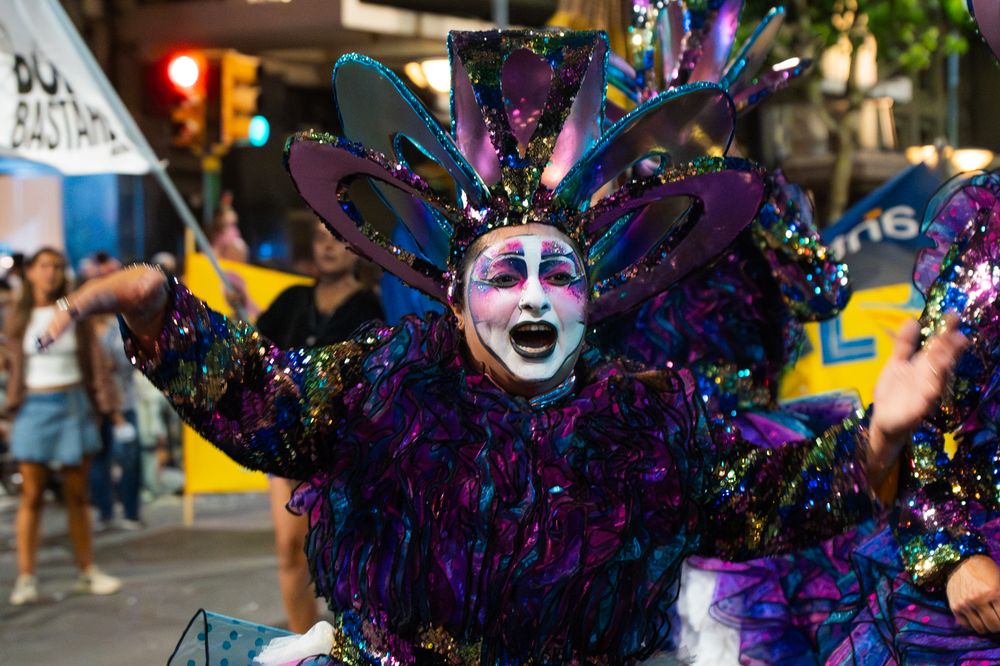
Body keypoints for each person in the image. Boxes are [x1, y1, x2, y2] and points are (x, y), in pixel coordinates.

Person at [40, 30, 964, 664]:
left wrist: (875, 441)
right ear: (454, 296)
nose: (533, 295)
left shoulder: (647, 413)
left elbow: (754, 504)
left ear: (593, 296)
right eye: (505, 272)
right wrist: (164, 310)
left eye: (558, 275)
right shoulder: (386, 383)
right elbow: (263, 403)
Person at [255, 219, 384, 633]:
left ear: (356, 250)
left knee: (339, 553)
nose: (328, 248)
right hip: (289, 446)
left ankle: (354, 642)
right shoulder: (292, 300)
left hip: (340, 453)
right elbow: (257, 352)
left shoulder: (369, 309)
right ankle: (302, 644)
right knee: (289, 551)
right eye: (320, 239)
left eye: (338, 240)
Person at [6, 247, 122, 606]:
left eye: (57, 266)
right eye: (43, 266)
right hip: (32, 406)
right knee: (32, 496)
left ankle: (86, 570)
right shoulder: (17, 315)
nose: (50, 272)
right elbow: (11, 364)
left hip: (73, 404)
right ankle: (26, 578)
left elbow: (96, 361)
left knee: (77, 495)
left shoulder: (75, 310)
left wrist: (107, 405)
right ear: (30, 272)